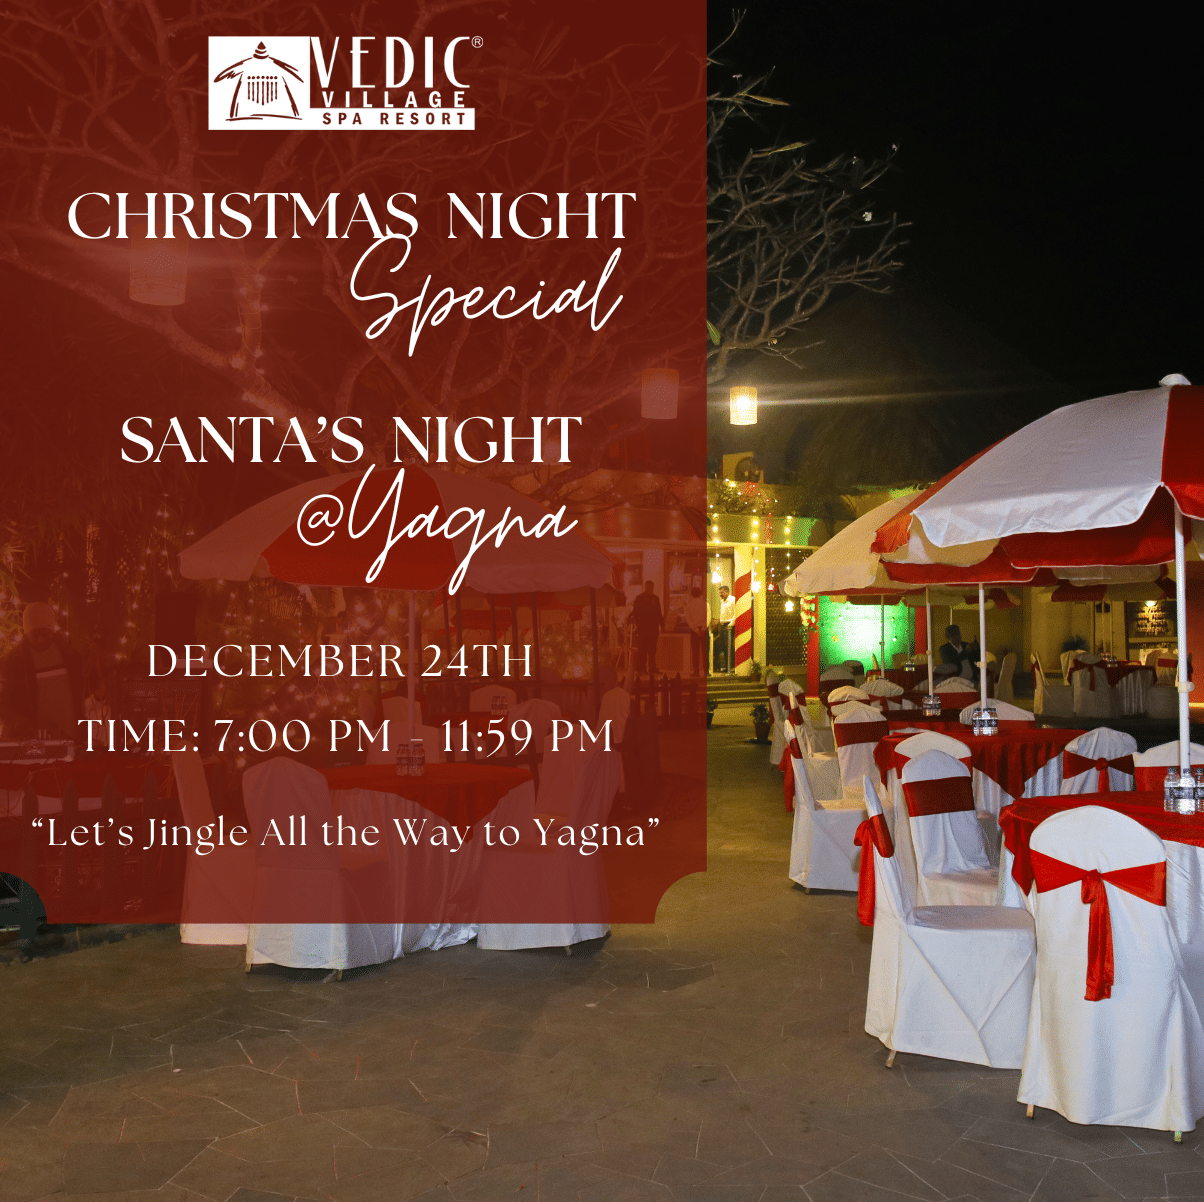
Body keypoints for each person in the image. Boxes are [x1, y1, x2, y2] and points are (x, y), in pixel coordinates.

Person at [0, 602, 85, 738]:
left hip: (69, 736)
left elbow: (80, 690)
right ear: (26, 633)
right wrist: (15, 722)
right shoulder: (11, 663)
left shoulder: (70, 656)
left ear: (53, 630)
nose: (40, 640)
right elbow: (2, 702)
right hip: (29, 740)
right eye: (34, 635)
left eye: (45, 634)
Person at [629, 581, 664, 676]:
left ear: (653, 588)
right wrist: (637, 623)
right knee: (642, 650)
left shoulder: (656, 599)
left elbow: (659, 613)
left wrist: (662, 625)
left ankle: (652, 668)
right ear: (645, 587)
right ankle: (642, 668)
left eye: (651, 588)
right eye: (648, 587)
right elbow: (635, 612)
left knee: (652, 650)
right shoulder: (639, 598)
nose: (649, 589)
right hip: (642, 629)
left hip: (653, 629)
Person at [684, 587, 708, 676]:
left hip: (694, 631)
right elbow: (708, 617)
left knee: (695, 652)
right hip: (704, 630)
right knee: (705, 651)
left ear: (692, 594)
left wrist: (696, 630)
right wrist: (703, 629)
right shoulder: (705, 604)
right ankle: (706, 671)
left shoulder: (689, 605)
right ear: (700, 594)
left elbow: (688, 620)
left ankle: (696, 671)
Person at [713, 584, 736, 673]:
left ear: (727, 591)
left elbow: (735, 613)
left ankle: (732, 666)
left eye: (722, 592)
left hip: (729, 625)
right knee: (723, 646)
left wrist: (731, 624)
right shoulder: (722, 601)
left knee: (729, 646)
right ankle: (727, 666)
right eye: (720, 593)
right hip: (723, 625)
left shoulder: (732, 600)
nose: (720, 594)